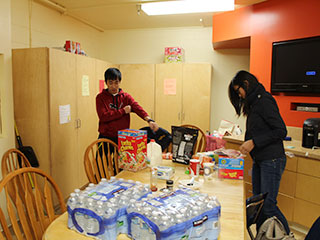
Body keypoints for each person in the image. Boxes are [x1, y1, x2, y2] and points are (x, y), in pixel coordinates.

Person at [228, 70, 290, 234]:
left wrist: (254, 142)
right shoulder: (255, 102)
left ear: (246, 85)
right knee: (258, 205)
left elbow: (281, 131)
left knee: (268, 206)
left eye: (238, 90)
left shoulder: (265, 101)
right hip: (261, 160)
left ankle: (288, 236)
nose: (239, 96)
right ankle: (264, 236)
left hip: (272, 160)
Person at [96, 67, 159, 143]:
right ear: (106, 82)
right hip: (105, 137)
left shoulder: (125, 97)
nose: (113, 86)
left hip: (123, 136)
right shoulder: (100, 97)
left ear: (120, 82)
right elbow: (103, 117)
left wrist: (149, 120)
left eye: (116, 82)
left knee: (124, 155)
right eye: (110, 82)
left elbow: (137, 108)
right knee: (102, 155)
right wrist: (123, 111)